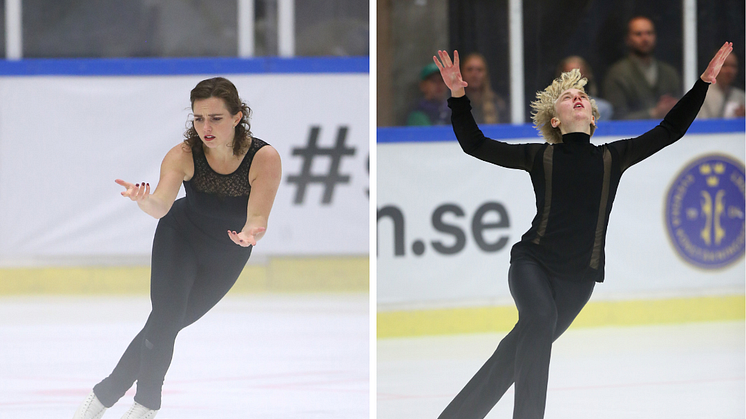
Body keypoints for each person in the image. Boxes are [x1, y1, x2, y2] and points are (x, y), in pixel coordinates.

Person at [433, 42, 732, 419]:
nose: (577, 98)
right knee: (538, 322)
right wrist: (458, 95)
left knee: (514, 354)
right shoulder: (540, 157)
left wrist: (704, 83)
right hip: (532, 265)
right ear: (554, 121)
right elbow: (475, 144)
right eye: (567, 96)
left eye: (583, 96)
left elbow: (670, 129)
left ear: (592, 116)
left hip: (579, 281)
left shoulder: (613, 158)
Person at [72, 77, 282, 419]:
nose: (205, 127)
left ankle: (103, 394)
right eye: (199, 118)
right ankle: (144, 405)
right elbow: (160, 206)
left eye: (215, 118)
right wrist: (143, 200)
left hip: (227, 255)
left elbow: (258, 216)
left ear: (238, 116)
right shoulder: (184, 154)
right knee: (164, 320)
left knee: (164, 325)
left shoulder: (264, 158)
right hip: (179, 237)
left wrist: (251, 234)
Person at [603, 16, 681, 120]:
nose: (645, 39)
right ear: (628, 39)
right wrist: (653, 113)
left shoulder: (669, 73)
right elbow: (616, 117)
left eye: (649, 33)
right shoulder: (617, 74)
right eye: (638, 34)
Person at [556, 55, 613, 120]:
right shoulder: (551, 108)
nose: (573, 80)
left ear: (587, 76)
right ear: (560, 77)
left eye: (578, 75)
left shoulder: (601, 109)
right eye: (569, 75)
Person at [461, 52, 509, 124]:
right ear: (461, 73)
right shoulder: (453, 104)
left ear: (486, 74)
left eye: (479, 70)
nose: (474, 74)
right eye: (469, 69)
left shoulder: (498, 104)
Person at [698, 52, 746, 118]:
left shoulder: (741, 96)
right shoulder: (702, 94)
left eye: (733, 66)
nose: (729, 70)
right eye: (724, 65)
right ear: (713, 67)